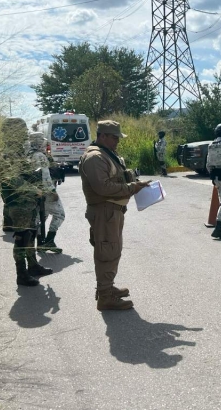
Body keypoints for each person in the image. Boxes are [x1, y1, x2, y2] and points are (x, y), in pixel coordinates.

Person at [78, 120, 151, 311]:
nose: (117, 141)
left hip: (111, 211)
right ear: (102, 136)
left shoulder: (106, 154)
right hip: (104, 211)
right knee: (107, 252)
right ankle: (105, 296)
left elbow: (116, 178)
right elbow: (102, 187)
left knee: (111, 250)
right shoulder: (95, 157)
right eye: (114, 137)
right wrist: (131, 187)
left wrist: (135, 182)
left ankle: (107, 288)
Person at [0, 118, 53, 287]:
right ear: (11, 132)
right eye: (21, 130)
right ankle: (21, 273)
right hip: (18, 201)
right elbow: (13, 179)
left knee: (31, 233)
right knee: (22, 237)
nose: (24, 134)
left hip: (28, 201)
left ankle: (33, 265)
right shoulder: (7, 154)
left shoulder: (20, 152)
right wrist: (35, 189)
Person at [28, 132, 64, 254]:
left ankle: (40, 242)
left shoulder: (29, 155)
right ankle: (49, 240)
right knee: (60, 215)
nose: (44, 143)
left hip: (36, 192)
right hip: (46, 192)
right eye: (42, 141)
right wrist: (52, 191)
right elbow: (44, 175)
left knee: (41, 217)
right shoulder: (40, 156)